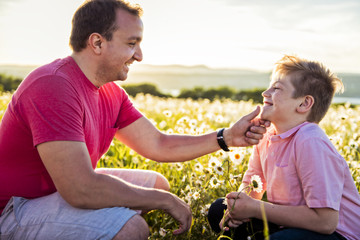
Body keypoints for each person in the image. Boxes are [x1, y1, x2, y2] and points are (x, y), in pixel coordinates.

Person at [0, 0, 269, 239]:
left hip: (57, 190)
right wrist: (163, 201)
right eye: (132, 43)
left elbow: (158, 144)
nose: (139, 55)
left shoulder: (110, 92)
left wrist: (228, 137)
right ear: (97, 43)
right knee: (132, 228)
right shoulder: (53, 85)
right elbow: (79, 188)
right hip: (15, 207)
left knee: (157, 183)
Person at [207, 55, 360, 240]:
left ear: (304, 103)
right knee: (219, 209)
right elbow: (251, 189)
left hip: (336, 234)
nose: (265, 93)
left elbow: (326, 222)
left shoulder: (310, 141)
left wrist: (255, 208)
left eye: (276, 88)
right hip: (290, 224)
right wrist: (236, 209)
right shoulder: (265, 135)